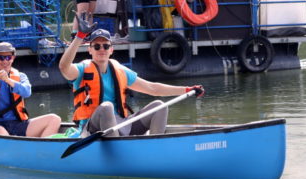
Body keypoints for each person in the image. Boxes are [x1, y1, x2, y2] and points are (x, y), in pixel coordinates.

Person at [58, 28, 204, 136]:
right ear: (90, 50)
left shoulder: (119, 70)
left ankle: (153, 148)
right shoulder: (82, 69)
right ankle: (116, 153)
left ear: (111, 50)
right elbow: (64, 67)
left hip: (122, 124)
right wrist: (80, 37)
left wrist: (186, 90)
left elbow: (152, 88)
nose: (101, 49)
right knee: (107, 107)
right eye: (96, 46)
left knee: (160, 106)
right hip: (92, 128)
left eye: (105, 46)